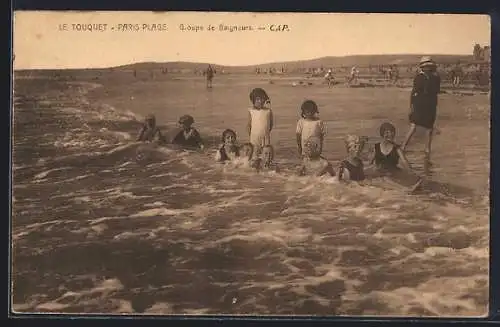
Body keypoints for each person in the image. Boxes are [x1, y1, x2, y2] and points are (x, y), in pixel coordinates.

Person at [401, 56, 441, 164]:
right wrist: (412, 107)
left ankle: (427, 149)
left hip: (430, 105)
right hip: (419, 104)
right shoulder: (419, 77)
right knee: (414, 125)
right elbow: (414, 93)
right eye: (426, 66)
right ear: (423, 67)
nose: (427, 68)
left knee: (429, 128)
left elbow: (437, 90)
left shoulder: (435, 77)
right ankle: (403, 146)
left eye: (429, 66)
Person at [369, 122, 423, 191]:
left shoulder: (397, 148)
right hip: (380, 172)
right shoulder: (376, 147)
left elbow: (405, 163)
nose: (390, 134)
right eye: (387, 132)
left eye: (392, 132)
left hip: (393, 172)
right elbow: (370, 163)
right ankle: (406, 189)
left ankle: (407, 188)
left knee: (391, 179)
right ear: (382, 134)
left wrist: (412, 174)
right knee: (384, 179)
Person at [247, 88, 274, 156]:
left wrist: (266, 132)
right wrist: (251, 136)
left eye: (263, 99)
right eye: (258, 99)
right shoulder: (251, 111)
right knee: (255, 155)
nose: (260, 101)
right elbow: (249, 125)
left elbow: (270, 125)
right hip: (254, 138)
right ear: (253, 100)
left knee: (266, 154)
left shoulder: (268, 111)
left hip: (265, 137)